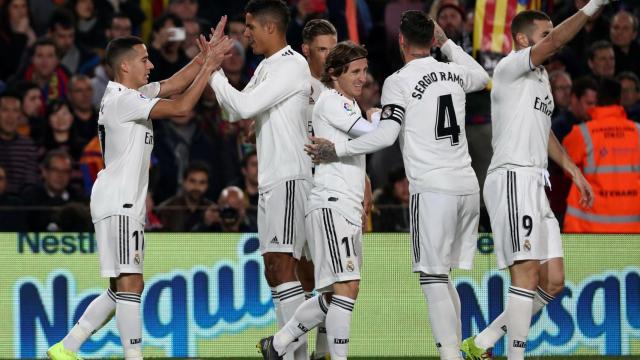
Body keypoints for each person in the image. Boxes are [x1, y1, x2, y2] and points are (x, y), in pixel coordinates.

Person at [306, 11, 490, 360]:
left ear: (401, 41)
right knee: (444, 275)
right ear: (432, 40)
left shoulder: (399, 80)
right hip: (467, 185)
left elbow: (387, 135)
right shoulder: (453, 70)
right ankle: (460, 350)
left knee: (432, 277)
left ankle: (451, 356)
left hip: (433, 187)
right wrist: (449, 44)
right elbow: (482, 77)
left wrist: (338, 148)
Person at [46, 17, 232, 360]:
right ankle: (134, 357)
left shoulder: (130, 94)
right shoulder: (122, 100)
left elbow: (176, 83)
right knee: (130, 282)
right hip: (120, 202)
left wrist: (204, 56)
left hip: (120, 200)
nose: (151, 64)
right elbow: (181, 106)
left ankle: (66, 347)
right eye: (145, 59)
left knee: (123, 286)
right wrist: (210, 68)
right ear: (125, 66)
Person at [460, 3, 606, 359]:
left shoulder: (540, 80)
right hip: (512, 177)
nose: (551, 40)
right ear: (523, 39)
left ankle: (481, 343)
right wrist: (593, 6)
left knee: (553, 281)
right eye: (544, 34)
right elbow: (557, 42)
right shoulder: (510, 67)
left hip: (536, 184)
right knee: (525, 276)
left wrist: (573, 170)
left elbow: (545, 133)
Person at [259, 40, 378, 360]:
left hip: (347, 205)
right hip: (331, 203)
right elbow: (372, 135)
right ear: (335, 74)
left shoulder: (349, 104)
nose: (361, 78)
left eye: (364, 71)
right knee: (345, 289)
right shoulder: (331, 102)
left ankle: (280, 343)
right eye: (354, 71)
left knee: (338, 293)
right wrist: (384, 117)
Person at [208, 2, 312, 359]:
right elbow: (231, 110)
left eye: (249, 27)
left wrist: (213, 69)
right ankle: (293, 351)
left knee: (285, 265)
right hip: (273, 179)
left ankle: (293, 352)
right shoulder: (266, 66)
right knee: (274, 269)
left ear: (270, 28)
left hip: (289, 177)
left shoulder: (291, 64)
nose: (245, 34)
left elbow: (238, 107)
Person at [300, 18, 338, 360]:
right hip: (302, 186)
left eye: (332, 49)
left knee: (334, 276)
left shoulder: (339, 90)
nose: (329, 57)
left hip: (334, 187)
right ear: (306, 50)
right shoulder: (296, 84)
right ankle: (292, 347)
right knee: (303, 275)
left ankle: (323, 352)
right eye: (322, 49)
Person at [562, 78, 640, 233]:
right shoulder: (638, 132)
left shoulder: (582, 133)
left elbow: (566, 169)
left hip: (587, 229)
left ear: (597, 100)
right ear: (619, 100)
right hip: (632, 229)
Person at [21, 149, 85, 231]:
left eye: (65, 171)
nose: (60, 175)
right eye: (55, 170)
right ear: (44, 172)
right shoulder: (30, 198)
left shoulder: (79, 200)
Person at [156, 162, 214, 231]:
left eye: (202, 182)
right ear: (184, 182)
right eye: (192, 181)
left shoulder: (212, 210)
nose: (197, 187)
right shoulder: (167, 209)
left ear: (207, 186)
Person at [0, 92, 39, 195]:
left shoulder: (28, 145)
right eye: (5, 110)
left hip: (19, 204)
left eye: (15, 111)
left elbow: (30, 181)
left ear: (20, 116)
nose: (10, 116)